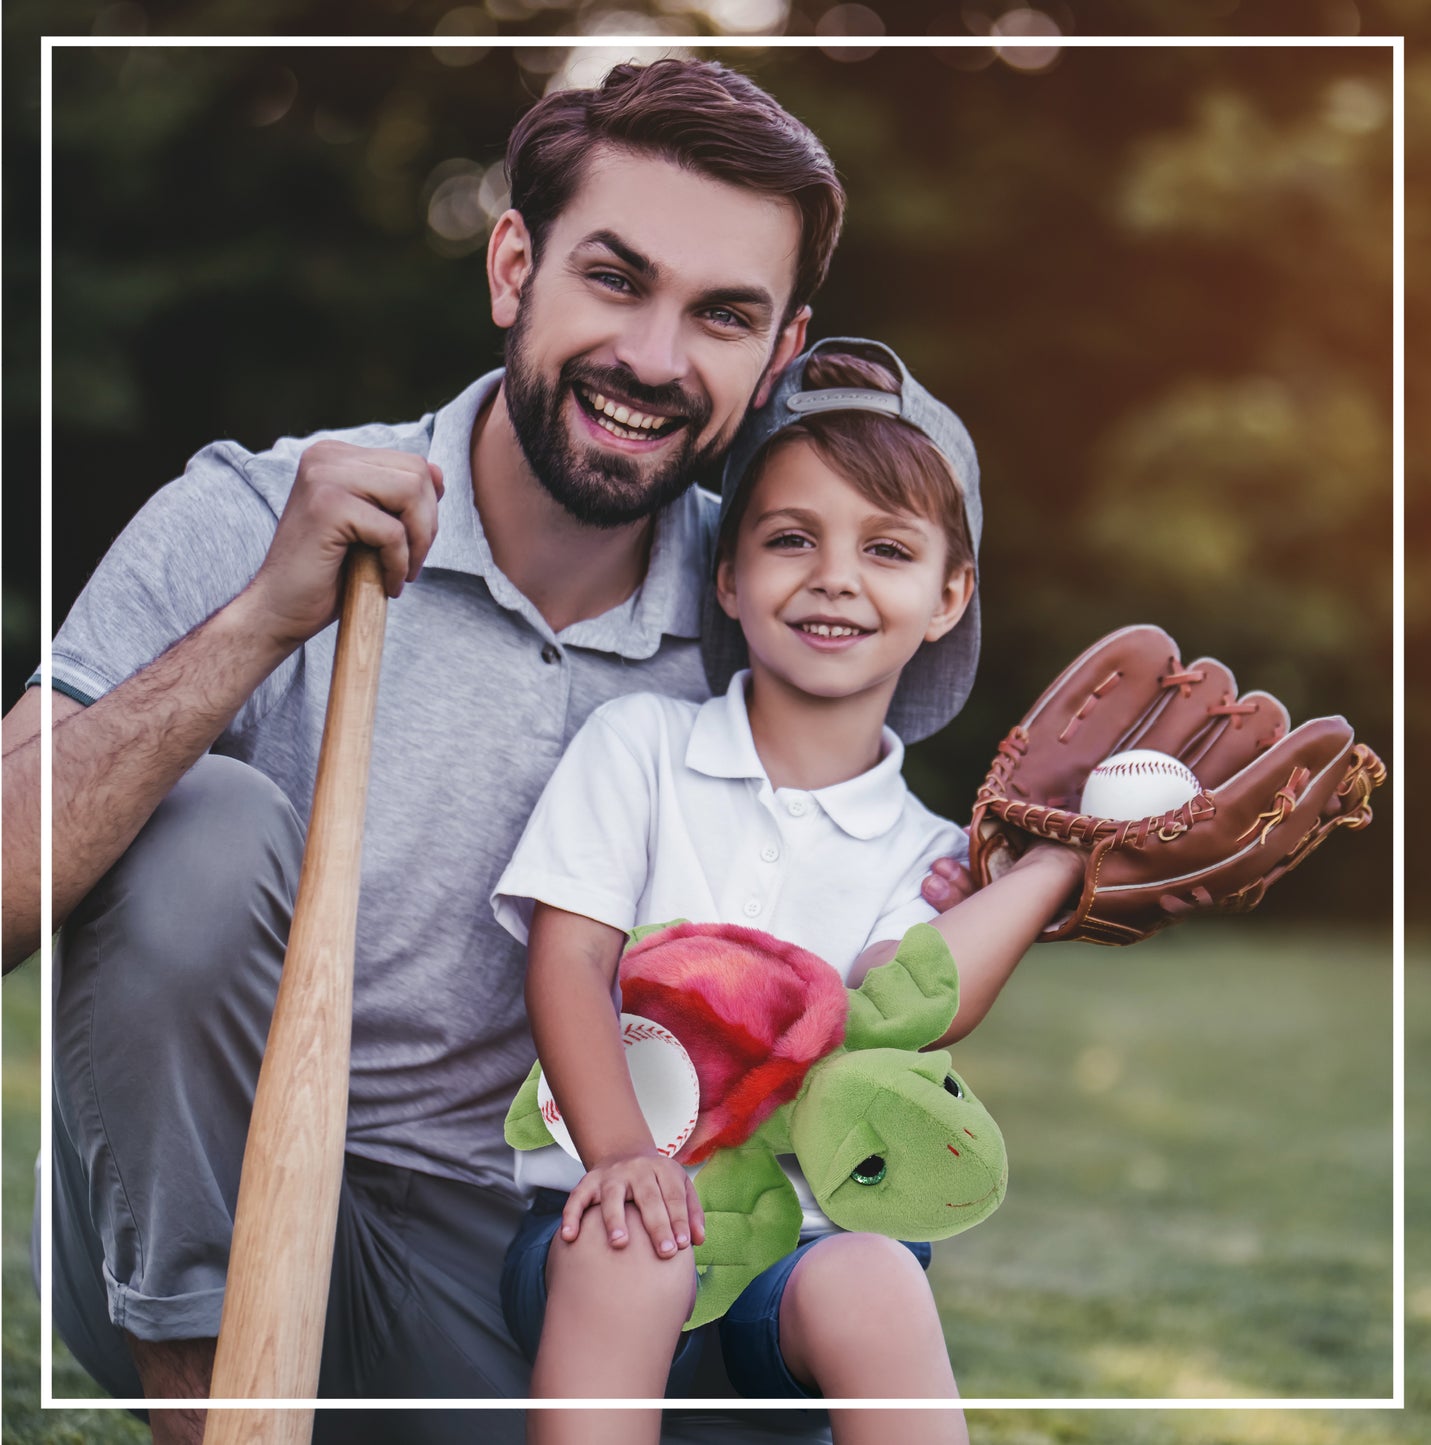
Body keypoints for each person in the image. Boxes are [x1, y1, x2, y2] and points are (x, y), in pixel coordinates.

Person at [2, 58, 972, 1445]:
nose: (652, 354)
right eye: (615, 277)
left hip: (547, 1259)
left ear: (777, 352)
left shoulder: (771, 598)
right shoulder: (251, 516)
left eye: (723, 316)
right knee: (200, 831)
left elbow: (890, 869)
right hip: (226, 1232)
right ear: (512, 262)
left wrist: (1071, 868)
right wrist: (258, 623)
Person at [490, 340, 1086, 1445]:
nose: (834, 575)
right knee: (626, 1244)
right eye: (789, 538)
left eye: (889, 547)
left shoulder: (926, 855)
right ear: (727, 573)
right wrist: (625, 1153)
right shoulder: (640, 748)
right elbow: (567, 955)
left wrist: (1057, 865)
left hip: (799, 1266)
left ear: (948, 593)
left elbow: (902, 1001)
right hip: (602, 1228)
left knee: (871, 1278)